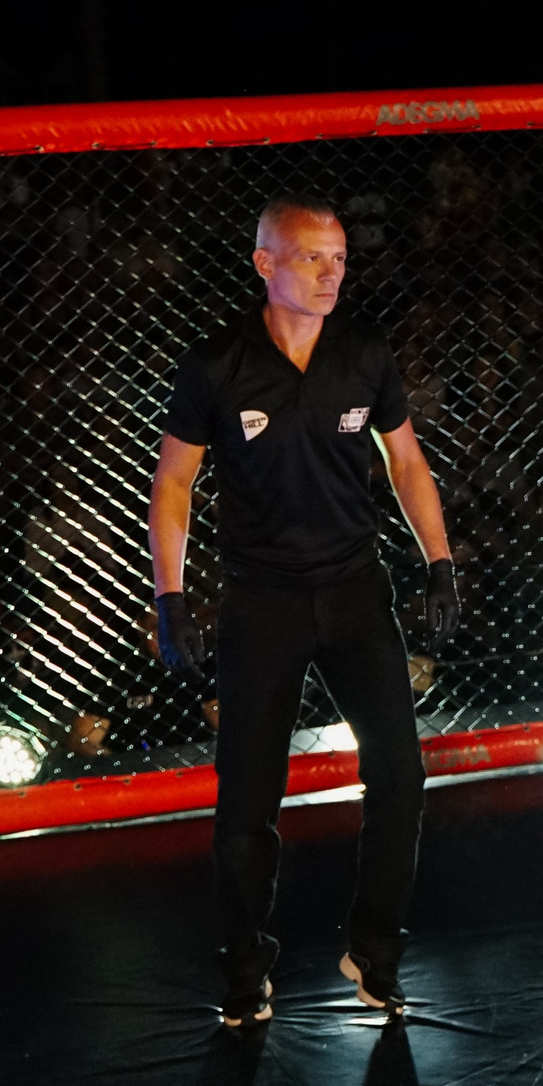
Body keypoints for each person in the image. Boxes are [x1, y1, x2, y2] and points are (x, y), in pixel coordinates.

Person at [150, 195, 460, 1030]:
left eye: (340, 259)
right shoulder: (217, 363)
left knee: (401, 775)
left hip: (358, 592)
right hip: (263, 601)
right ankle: (245, 967)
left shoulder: (364, 353)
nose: (331, 273)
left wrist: (440, 561)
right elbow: (174, 480)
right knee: (247, 800)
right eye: (313, 258)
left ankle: (376, 951)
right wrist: (169, 593)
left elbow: (406, 461)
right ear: (265, 264)